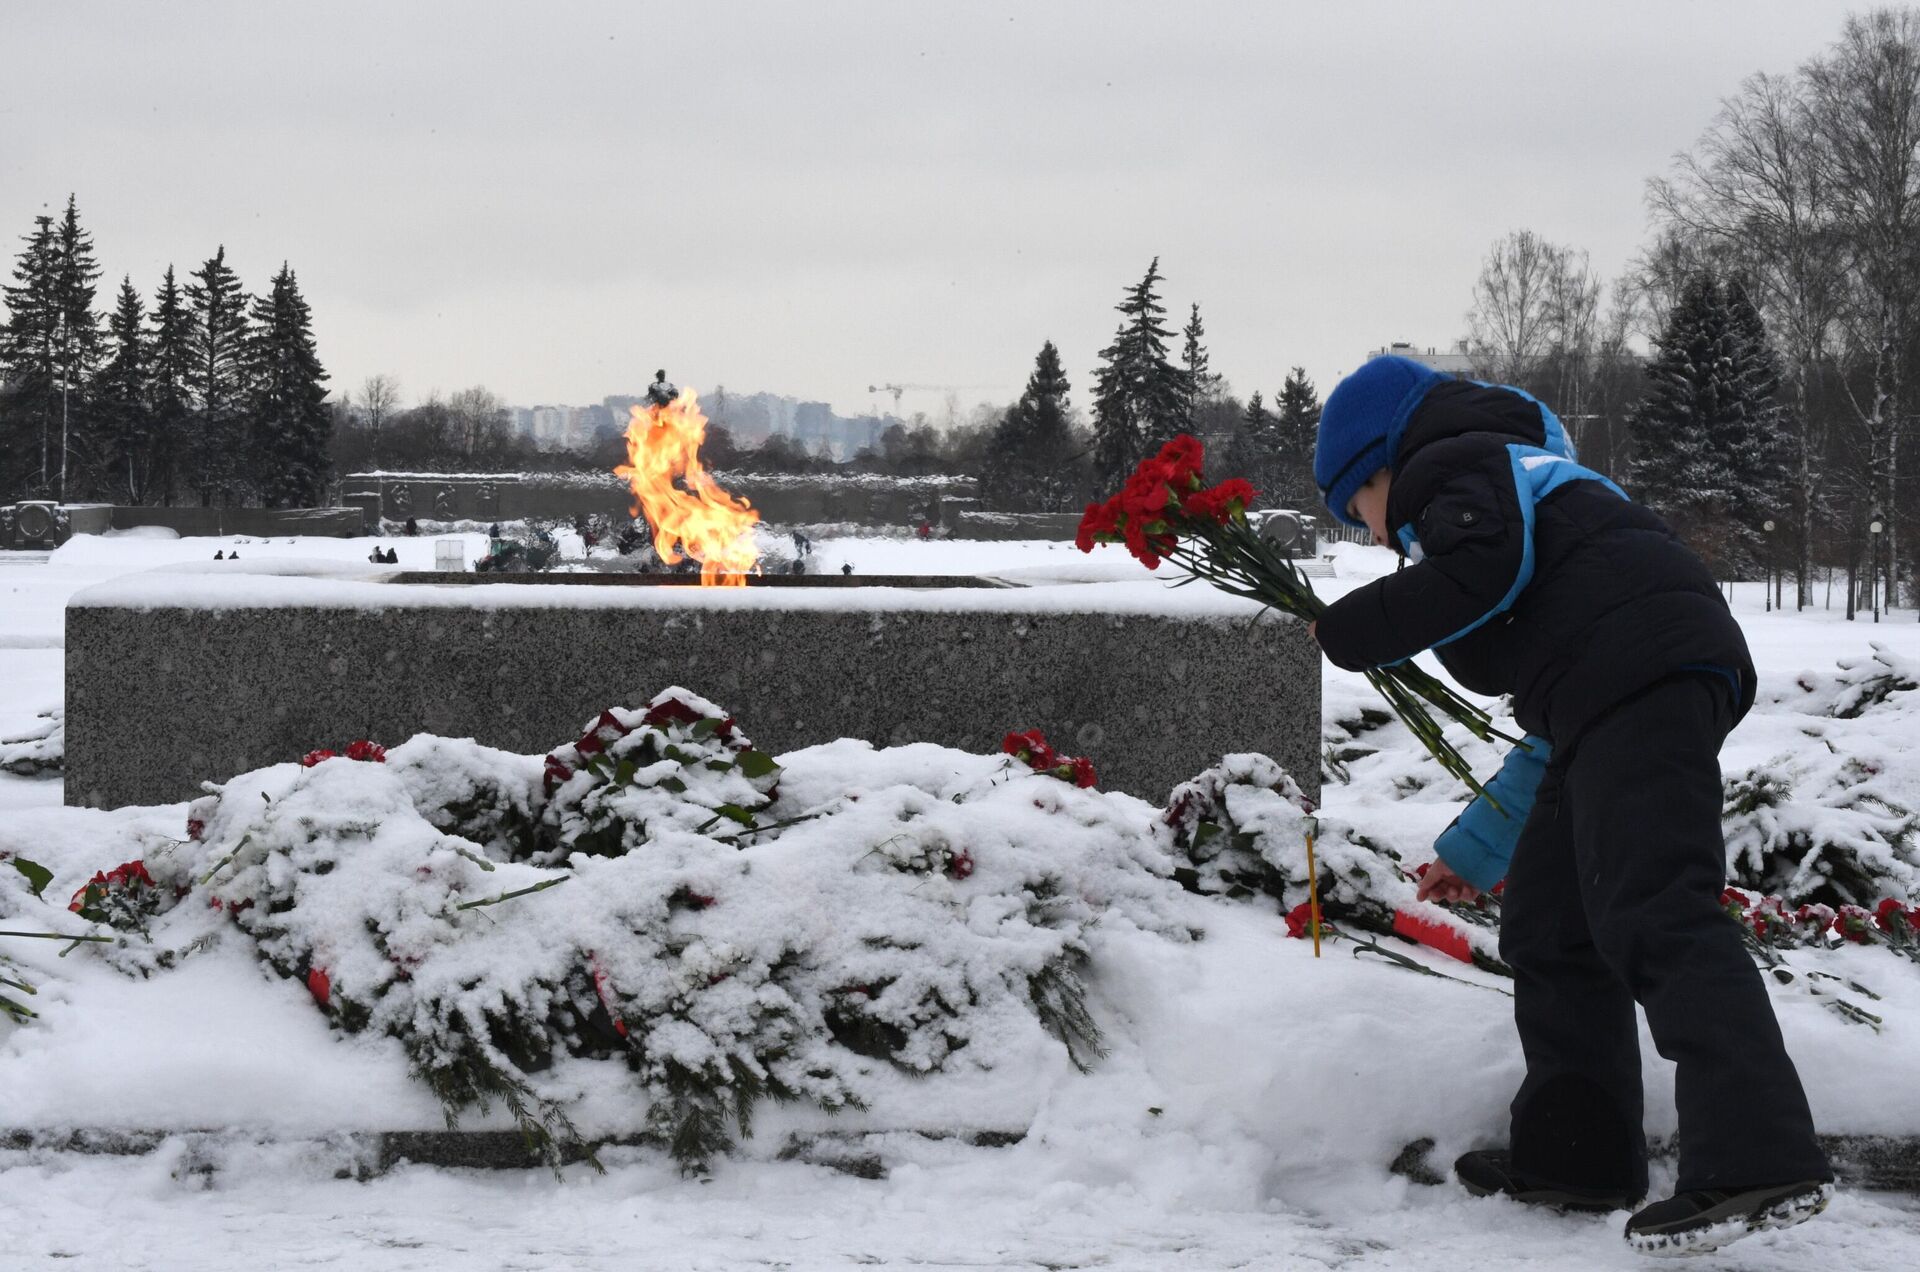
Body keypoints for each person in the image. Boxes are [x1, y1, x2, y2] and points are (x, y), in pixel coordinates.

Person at [1308, 355, 1831, 1256]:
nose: (1368, 532)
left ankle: (1757, 1157)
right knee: (1554, 922)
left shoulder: (1458, 467)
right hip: (1617, 685)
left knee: (1655, 909)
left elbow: (1479, 574)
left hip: (1644, 673)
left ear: (1376, 468)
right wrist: (1474, 854)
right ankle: (1578, 1156)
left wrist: (1353, 629)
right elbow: (1553, 740)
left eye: (1353, 507)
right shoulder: (1518, 487)